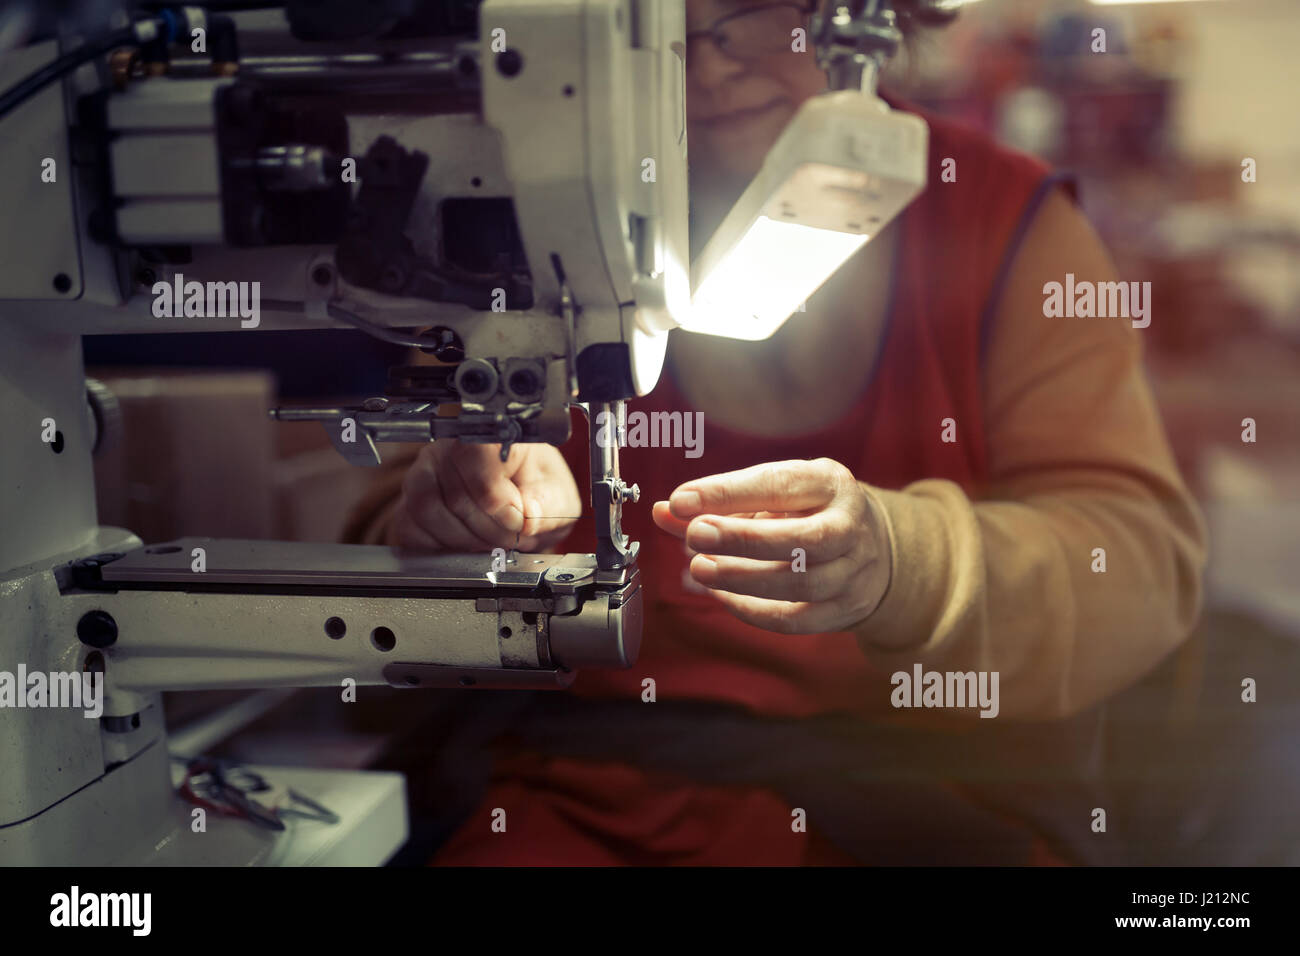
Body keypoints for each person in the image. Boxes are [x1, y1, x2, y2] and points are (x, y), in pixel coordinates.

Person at [344, 0, 1207, 865]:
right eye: (659, 19)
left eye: (753, 7)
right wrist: (446, 533)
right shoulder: (529, 214)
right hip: (584, 784)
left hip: (920, 799)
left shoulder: (1004, 223)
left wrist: (910, 562)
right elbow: (393, 548)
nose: (708, 63)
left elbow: (1138, 565)